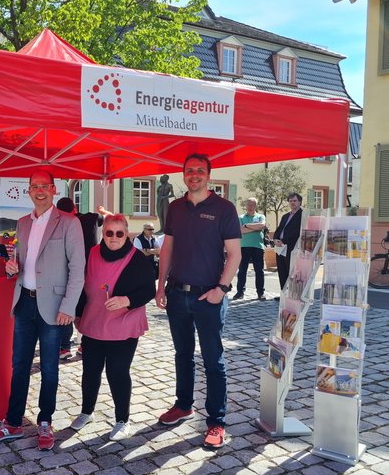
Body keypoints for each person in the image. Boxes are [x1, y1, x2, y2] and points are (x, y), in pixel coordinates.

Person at [0, 170, 85, 451]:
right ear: (28, 191)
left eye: (44, 186)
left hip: (53, 306)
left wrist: (69, 307)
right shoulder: (22, 223)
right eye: (34, 186)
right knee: (19, 366)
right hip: (25, 302)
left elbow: (78, 269)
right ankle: (13, 422)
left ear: (54, 190)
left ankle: (44, 421)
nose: (39, 191)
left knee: (50, 369)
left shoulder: (69, 223)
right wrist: (11, 268)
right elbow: (22, 261)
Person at [155, 153, 241, 449]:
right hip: (178, 293)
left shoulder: (224, 209)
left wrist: (221, 288)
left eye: (200, 171)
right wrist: (161, 286)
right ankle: (183, 405)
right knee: (182, 355)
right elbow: (167, 248)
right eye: (189, 170)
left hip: (209, 296)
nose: (194, 175)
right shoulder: (175, 208)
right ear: (183, 174)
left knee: (213, 361)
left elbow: (235, 254)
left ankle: (216, 422)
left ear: (209, 175)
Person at [70, 214, 156, 440]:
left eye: (119, 233)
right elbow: (81, 284)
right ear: (103, 234)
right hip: (94, 323)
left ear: (126, 233)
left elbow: (149, 290)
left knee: (117, 372)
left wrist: (126, 300)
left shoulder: (137, 258)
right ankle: (87, 412)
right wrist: (78, 313)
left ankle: (122, 420)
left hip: (124, 325)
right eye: (109, 233)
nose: (114, 237)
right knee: (90, 371)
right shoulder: (93, 253)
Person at [55, 197, 111, 359]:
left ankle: (64, 347)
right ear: (74, 207)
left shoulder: (61, 225)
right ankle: (84, 344)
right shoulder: (90, 218)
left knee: (68, 308)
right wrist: (103, 211)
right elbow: (108, 218)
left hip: (69, 273)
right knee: (88, 309)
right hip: (91, 272)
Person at [233, 197, 267, 301]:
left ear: (256, 206)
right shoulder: (241, 217)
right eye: (248, 204)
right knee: (242, 270)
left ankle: (260, 293)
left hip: (257, 246)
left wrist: (247, 225)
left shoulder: (261, 216)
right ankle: (240, 292)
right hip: (243, 246)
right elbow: (239, 230)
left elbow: (261, 226)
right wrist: (254, 228)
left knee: (259, 271)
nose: (250, 207)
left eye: (252, 205)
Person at [273, 193, 303, 294]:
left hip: (291, 248)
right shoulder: (285, 216)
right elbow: (279, 229)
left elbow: (297, 231)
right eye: (290, 201)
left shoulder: (302, 215)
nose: (292, 203)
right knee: (282, 272)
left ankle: (292, 294)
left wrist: (283, 240)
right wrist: (275, 239)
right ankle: (283, 295)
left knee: (291, 272)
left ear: (299, 202)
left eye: (294, 201)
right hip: (280, 248)